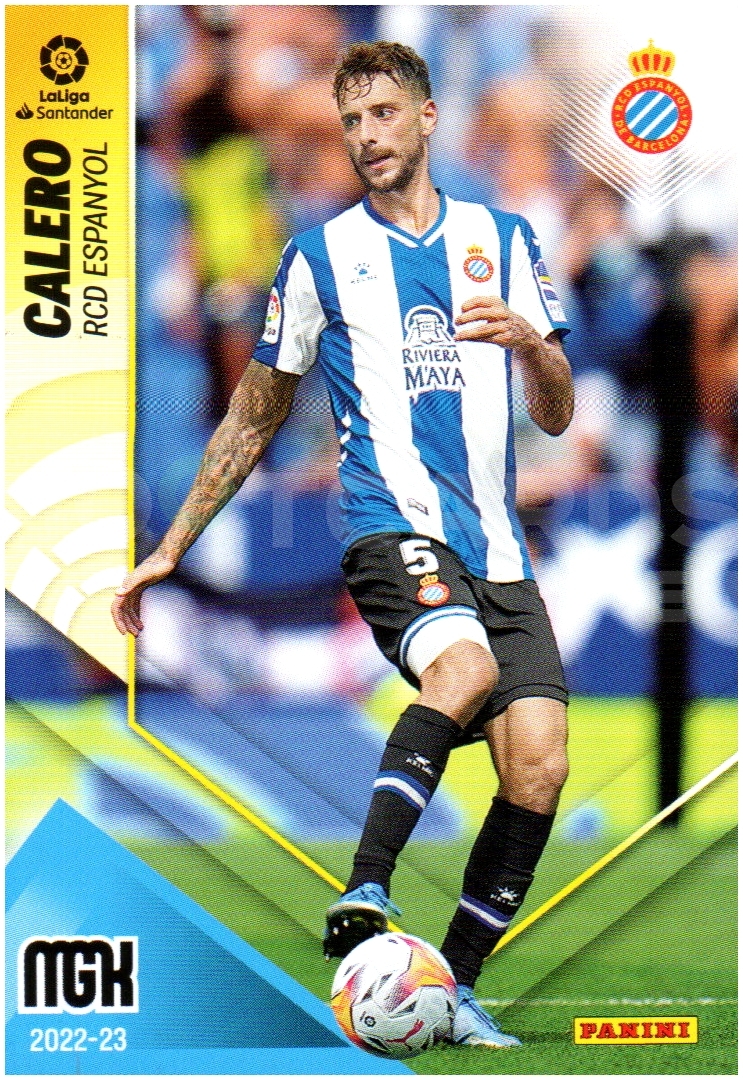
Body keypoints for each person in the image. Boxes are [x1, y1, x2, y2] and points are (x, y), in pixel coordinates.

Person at [113, 41, 573, 1050]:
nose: (365, 135)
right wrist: (172, 543)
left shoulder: (502, 238)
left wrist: (531, 345)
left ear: (427, 117)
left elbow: (554, 410)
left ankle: (452, 988)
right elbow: (254, 411)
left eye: (382, 113)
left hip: (495, 546)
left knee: (539, 764)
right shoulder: (319, 256)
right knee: (463, 668)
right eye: (351, 118)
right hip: (386, 523)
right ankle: (365, 882)